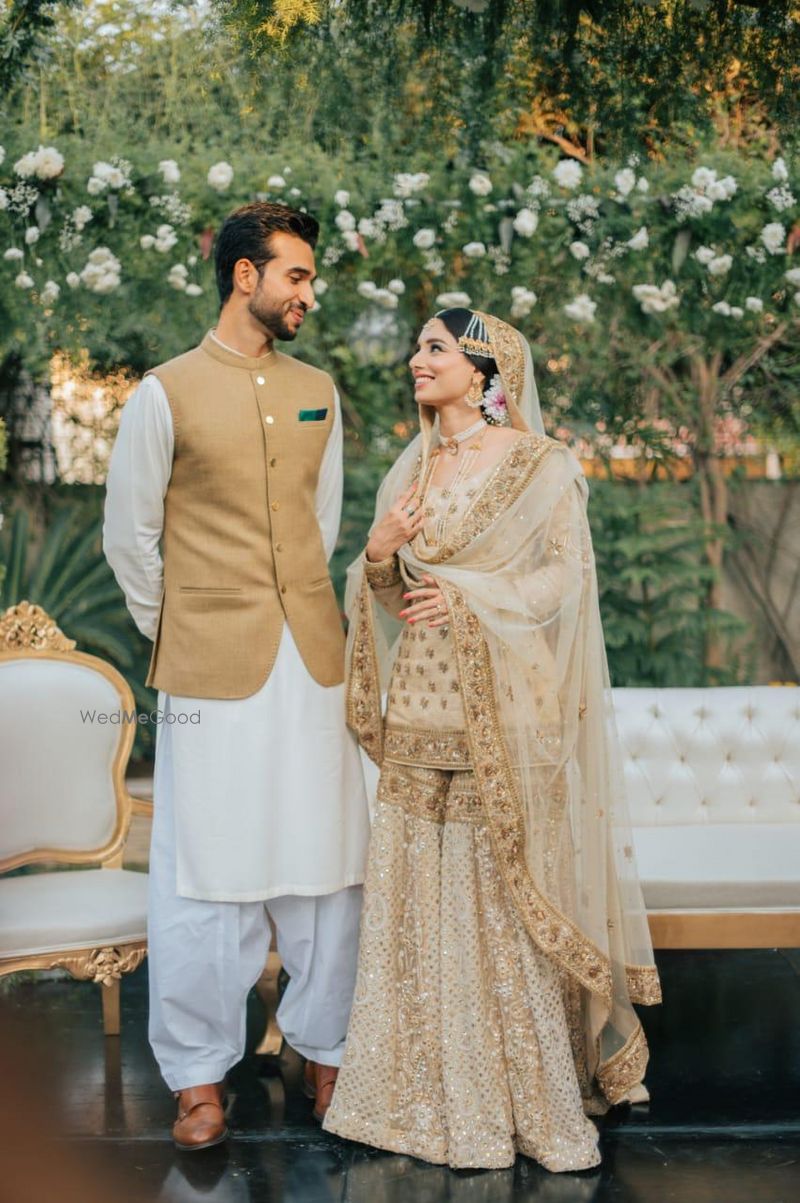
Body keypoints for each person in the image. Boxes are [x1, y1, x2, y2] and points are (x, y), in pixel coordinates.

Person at [323, 307, 661, 1172]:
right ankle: (410, 1094)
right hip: (421, 710)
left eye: (435, 348)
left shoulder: (540, 465)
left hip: (507, 712)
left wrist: (471, 601)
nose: (416, 360)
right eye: (418, 346)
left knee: (492, 896)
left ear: (484, 369)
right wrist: (377, 549)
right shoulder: (418, 465)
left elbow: (562, 579)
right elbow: (393, 592)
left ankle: (512, 1097)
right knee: (417, 892)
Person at [103, 202, 370, 1150]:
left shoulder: (321, 389)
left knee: (329, 862)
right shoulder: (162, 394)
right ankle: (198, 1077)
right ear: (242, 276)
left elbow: (324, 523)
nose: (308, 292)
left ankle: (327, 1047)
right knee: (203, 872)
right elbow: (129, 538)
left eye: (309, 276)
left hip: (314, 661)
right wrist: (186, 628)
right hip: (207, 669)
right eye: (294, 274)